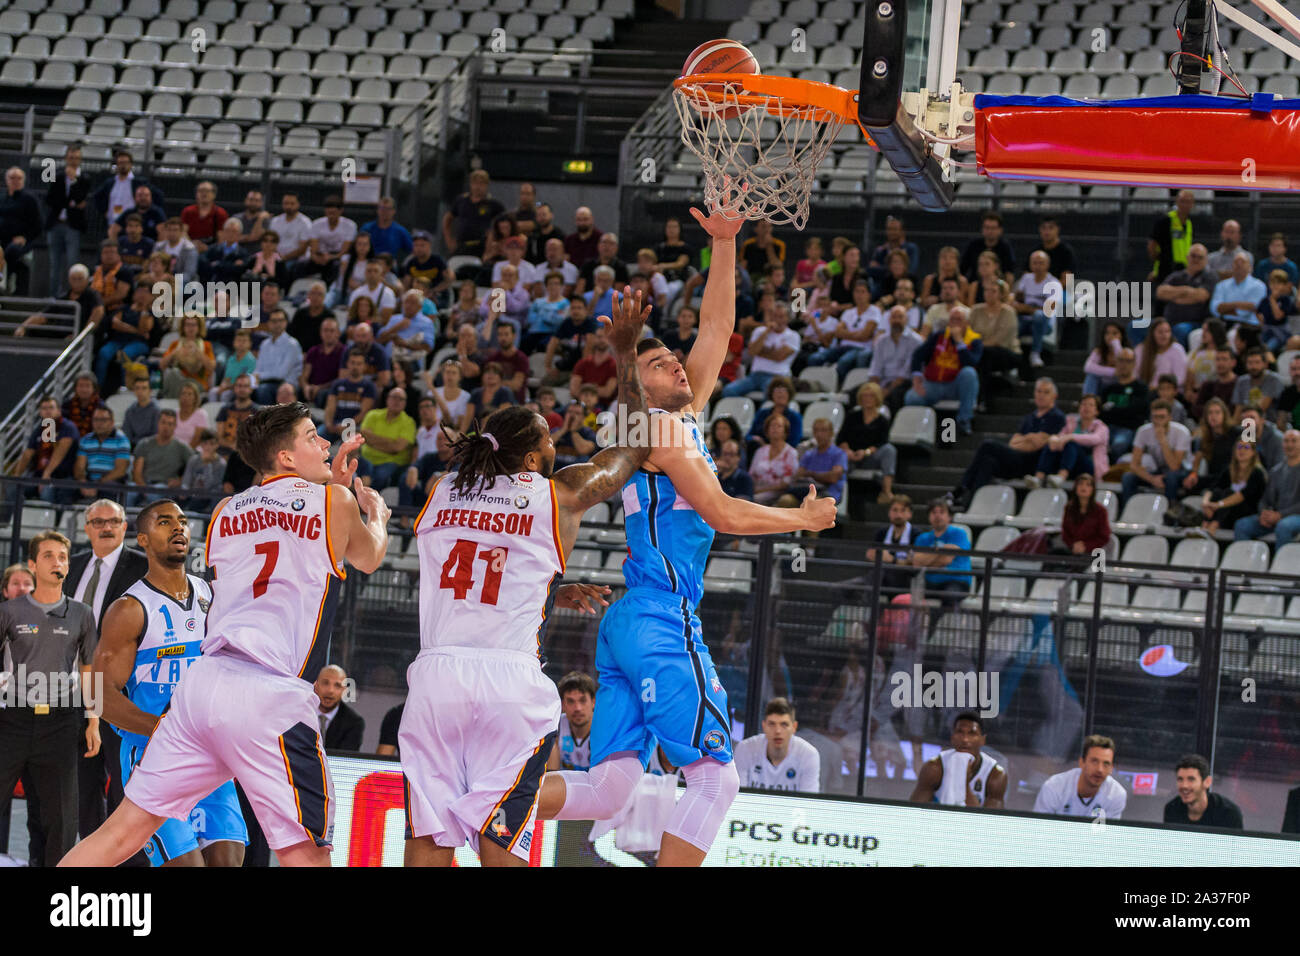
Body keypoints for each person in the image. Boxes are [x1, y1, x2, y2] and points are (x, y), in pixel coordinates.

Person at [535, 201, 835, 868]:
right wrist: (802, 519)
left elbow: (720, 327)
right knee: (715, 777)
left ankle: (501, 795)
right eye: (660, 363)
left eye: (674, 357)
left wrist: (723, 244)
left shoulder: (679, 417)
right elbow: (726, 515)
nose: (677, 363)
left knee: (609, 785)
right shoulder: (657, 431)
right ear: (639, 389)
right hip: (661, 618)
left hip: (627, 620)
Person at [61, 404, 392, 868]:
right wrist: (371, 511)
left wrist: (325, 493)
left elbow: (278, 539)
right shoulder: (128, 606)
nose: (325, 444)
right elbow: (369, 557)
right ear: (286, 457)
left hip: (202, 691)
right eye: (314, 436)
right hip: (260, 695)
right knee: (307, 852)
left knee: (127, 835)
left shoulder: (223, 511)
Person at [399, 286, 654, 867]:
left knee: (427, 838)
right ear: (535, 460)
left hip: (436, 679)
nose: (558, 447)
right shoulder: (556, 494)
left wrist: (546, 590)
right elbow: (634, 447)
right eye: (551, 441)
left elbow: (477, 560)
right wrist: (625, 353)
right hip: (509, 686)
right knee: (502, 841)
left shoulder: (440, 492)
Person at [89, 500, 248, 866]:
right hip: (153, 758)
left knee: (228, 863)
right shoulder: (129, 609)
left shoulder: (213, 596)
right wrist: (165, 728)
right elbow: (100, 695)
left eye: (181, 521)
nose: (178, 528)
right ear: (143, 539)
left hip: (209, 758)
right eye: (164, 522)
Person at [0, 532, 99, 866]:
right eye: (49, 556)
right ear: (32, 564)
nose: (58, 562)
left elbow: (90, 668)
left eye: (63, 557)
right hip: (12, 719)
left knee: (60, 817)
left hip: (60, 722)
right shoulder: (9, 611)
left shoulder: (82, 614)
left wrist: (94, 720)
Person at [949, 378, 1066, 508]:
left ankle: (961, 489)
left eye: (1046, 392)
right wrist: (1031, 438)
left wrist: (1026, 439)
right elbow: (1014, 443)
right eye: (1038, 391)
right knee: (988, 462)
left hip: (1035, 463)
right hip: (1017, 460)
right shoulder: (1029, 417)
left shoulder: (1057, 417)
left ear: (1054, 396)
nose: (1041, 395)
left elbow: (1039, 444)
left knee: (988, 445)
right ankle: (969, 505)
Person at [905, 306, 983, 436]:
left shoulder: (975, 340)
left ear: (967, 323)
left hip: (955, 386)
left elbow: (971, 362)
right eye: (952, 320)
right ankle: (922, 429)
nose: (955, 323)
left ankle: (964, 420)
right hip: (933, 384)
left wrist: (959, 342)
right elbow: (918, 355)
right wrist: (917, 377)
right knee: (911, 397)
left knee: (969, 373)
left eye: (959, 320)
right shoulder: (939, 336)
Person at [910, 713, 1006, 808]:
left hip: (972, 823)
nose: (965, 739)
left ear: (982, 740)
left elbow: (990, 821)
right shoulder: (934, 768)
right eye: (960, 732)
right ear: (952, 737)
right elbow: (913, 812)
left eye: (972, 733)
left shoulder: (995, 775)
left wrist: (964, 784)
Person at [733, 698, 820, 793]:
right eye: (772, 724)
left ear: (794, 727)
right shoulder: (745, 749)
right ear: (764, 726)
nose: (778, 731)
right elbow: (738, 796)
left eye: (784, 724)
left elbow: (809, 803)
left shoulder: (809, 755)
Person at [910, 498, 972, 630]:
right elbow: (916, 562)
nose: (937, 515)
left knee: (949, 596)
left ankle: (938, 634)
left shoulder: (958, 533)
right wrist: (939, 552)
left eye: (942, 512)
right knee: (904, 593)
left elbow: (946, 560)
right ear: (929, 516)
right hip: (929, 582)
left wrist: (927, 559)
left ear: (949, 517)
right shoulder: (922, 538)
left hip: (956, 581)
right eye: (933, 512)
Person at [1033, 735, 1127, 820]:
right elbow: (1039, 829)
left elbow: (1107, 835)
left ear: (1111, 769)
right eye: (1094, 761)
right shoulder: (1053, 787)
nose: (1100, 769)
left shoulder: (1117, 795)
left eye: (1106, 764)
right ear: (1082, 763)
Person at [1234, 428, 1300, 546]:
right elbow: (1265, 499)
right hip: (1276, 516)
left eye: (1294, 441)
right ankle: (1247, 562)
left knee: (1284, 526)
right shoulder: (1276, 471)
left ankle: (1281, 564)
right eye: (1286, 441)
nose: (1289, 445)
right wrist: (1264, 514)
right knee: (1242, 525)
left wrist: (1280, 515)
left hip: (1295, 517)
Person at [1120, 399, 1192, 505]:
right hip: (1160, 470)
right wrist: (1152, 479)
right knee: (1128, 477)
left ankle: (1169, 513)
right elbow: (1134, 465)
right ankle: (1128, 510)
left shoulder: (1181, 432)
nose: (1158, 421)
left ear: (1170, 417)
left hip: (1182, 471)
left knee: (1171, 477)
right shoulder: (1143, 431)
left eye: (1162, 417)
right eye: (1155, 417)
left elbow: (1174, 466)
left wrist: (1163, 441)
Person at [722, 301, 801, 397]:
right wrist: (767, 331)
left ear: (787, 319)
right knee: (729, 390)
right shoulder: (759, 331)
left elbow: (779, 357)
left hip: (777, 377)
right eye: (775, 316)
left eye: (781, 317)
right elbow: (752, 352)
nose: (777, 320)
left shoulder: (793, 336)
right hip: (755, 375)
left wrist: (760, 351)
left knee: (770, 395)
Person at [1030, 394, 1109, 487]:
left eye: (1091, 405)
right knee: (1051, 445)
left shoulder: (1101, 427)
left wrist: (1071, 436)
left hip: (1090, 468)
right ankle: (1039, 477)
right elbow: (1060, 437)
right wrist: (1054, 439)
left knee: (1071, 444)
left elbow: (1095, 439)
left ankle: (1061, 476)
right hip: (1071, 464)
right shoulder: (1071, 423)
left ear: (1097, 411)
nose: (1086, 407)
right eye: (1083, 404)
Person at [838, 382, 897, 503]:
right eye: (865, 396)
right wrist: (848, 450)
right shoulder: (852, 416)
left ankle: (886, 491)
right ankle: (836, 495)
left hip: (870, 456)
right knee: (841, 457)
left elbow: (881, 443)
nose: (867, 399)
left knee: (889, 450)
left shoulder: (882, 421)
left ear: (877, 398)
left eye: (871, 396)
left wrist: (865, 452)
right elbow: (841, 438)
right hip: (850, 455)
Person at [44, 144, 90, 296]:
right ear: (66, 158)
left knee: (72, 264)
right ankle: (53, 296)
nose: (73, 160)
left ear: (80, 160)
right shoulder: (56, 175)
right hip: (56, 224)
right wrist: (71, 203)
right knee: (54, 264)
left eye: (77, 158)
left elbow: (81, 199)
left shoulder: (84, 178)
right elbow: (50, 199)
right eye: (71, 157)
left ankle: (72, 295)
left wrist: (74, 181)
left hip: (73, 226)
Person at [1200, 439, 1267, 535]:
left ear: (1253, 452)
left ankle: (1213, 525)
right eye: (1239, 447)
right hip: (1226, 512)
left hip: (1248, 511)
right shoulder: (1229, 470)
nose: (1242, 450)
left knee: (1229, 493)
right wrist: (1205, 503)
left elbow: (1242, 495)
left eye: (1246, 447)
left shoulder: (1257, 473)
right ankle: (1206, 524)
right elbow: (1213, 488)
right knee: (1218, 492)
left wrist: (1218, 505)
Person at [1162, 754, 1244, 829]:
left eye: (1191, 779)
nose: (1184, 786)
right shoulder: (1172, 809)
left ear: (1207, 782)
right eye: (1180, 779)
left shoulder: (1229, 813)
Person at [130, 410, 194, 504]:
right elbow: (137, 473)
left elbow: (195, 466)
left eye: (170, 424)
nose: (166, 427)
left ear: (175, 426)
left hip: (165, 487)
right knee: (129, 492)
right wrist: (145, 489)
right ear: (158, 423)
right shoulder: (144, 444)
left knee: (156, 492)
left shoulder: (182, 447)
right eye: (163, 422)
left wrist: (180, 481)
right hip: (143, 484)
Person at [1098, 348, 1150, 459]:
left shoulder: (1141, 388)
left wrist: (1112, 409)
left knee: (1118, 445)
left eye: (1128, 361)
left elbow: (1136, 411)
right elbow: (1100, 411)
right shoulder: (1108, 388)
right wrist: (1121, 410)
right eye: (1121, 360)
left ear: (1134, 363)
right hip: (1106, 428)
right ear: (1116, 362)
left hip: (1128, 429)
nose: (1124, 364)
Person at [866, 494, 917, 595]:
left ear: (910, 514)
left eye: (903, 510)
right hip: (880, 577)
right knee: (840, 589)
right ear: (889, 513)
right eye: (895, 510)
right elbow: (870, 554)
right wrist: (902, 561)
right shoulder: (881, 532)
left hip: (904, 580)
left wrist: (891, 559)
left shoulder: (916, 534)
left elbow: (915, 562)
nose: (898, 515)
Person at [547, 672, 597, 772]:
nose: (577, 708)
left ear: (593, 702)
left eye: (583, 700)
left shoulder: (605, 729)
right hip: (564, 785)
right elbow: (550, 776)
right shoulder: (555, 725)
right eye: (570, 701)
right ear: (562, 705)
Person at [793, 418, 848, 506]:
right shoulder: (809, 454)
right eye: (816, 430)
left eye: (823, 430)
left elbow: (833, 478)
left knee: (812, 504)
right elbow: (798, 475)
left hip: (828, 493)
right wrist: (822, 476)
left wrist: (811, 474)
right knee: (786, 500)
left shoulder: (839, 454)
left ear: (831, 433)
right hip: (806, 491)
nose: (819, 434)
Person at [1148, 188, 1196, 285]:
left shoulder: (1189, 223)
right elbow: (1152, 245)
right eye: (1182, 201)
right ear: (1177, 202)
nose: (1185, 205)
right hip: (1166, 268)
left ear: (1192, 204)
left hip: (1183, 269)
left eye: (1188, 202)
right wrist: (1160, 263)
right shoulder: (1165, 220)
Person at [749, 414, 799, 505]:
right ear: (767, 430)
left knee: (753, 500)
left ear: (785, 431)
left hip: (779, 493)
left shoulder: (791, 453)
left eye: (779, 426)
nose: (775, 428)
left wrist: (760, 490)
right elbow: (751, 475)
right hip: (757, 491)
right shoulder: (760, 451)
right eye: (772, 426)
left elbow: (786, 483)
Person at [1059, 472, 1110, 555]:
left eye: (1088, 485)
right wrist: (1073, 545)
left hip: (1092, 552)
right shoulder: (1069, 508)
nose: (1084, 487)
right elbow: (1065, 532)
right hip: (1071, 549)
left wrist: (1086, 546)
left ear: (1093, 489)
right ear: (1075, 487)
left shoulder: (1100, 510)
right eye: (1080, 484)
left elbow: (1104, 537)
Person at [1133, 318, 1188, 390]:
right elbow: (1134, 373)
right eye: (1160, 332)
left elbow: (1180, 378)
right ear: (1152, 334)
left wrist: (1159, 388)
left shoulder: (1177, 349)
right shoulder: (1141, 349)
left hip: (1168, 391)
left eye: (1167, 331)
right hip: (1145, 389)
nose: (1164, 335)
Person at [1231, 345, 1285, 416]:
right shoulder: (1241, 381)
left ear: (1265, 364)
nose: (1253, 367)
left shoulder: (1273, 379)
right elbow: (1238, 410)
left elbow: (1261, 409)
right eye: (1250, 363)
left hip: (1268, 422)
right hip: (1246, 421)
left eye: (1257, 362)